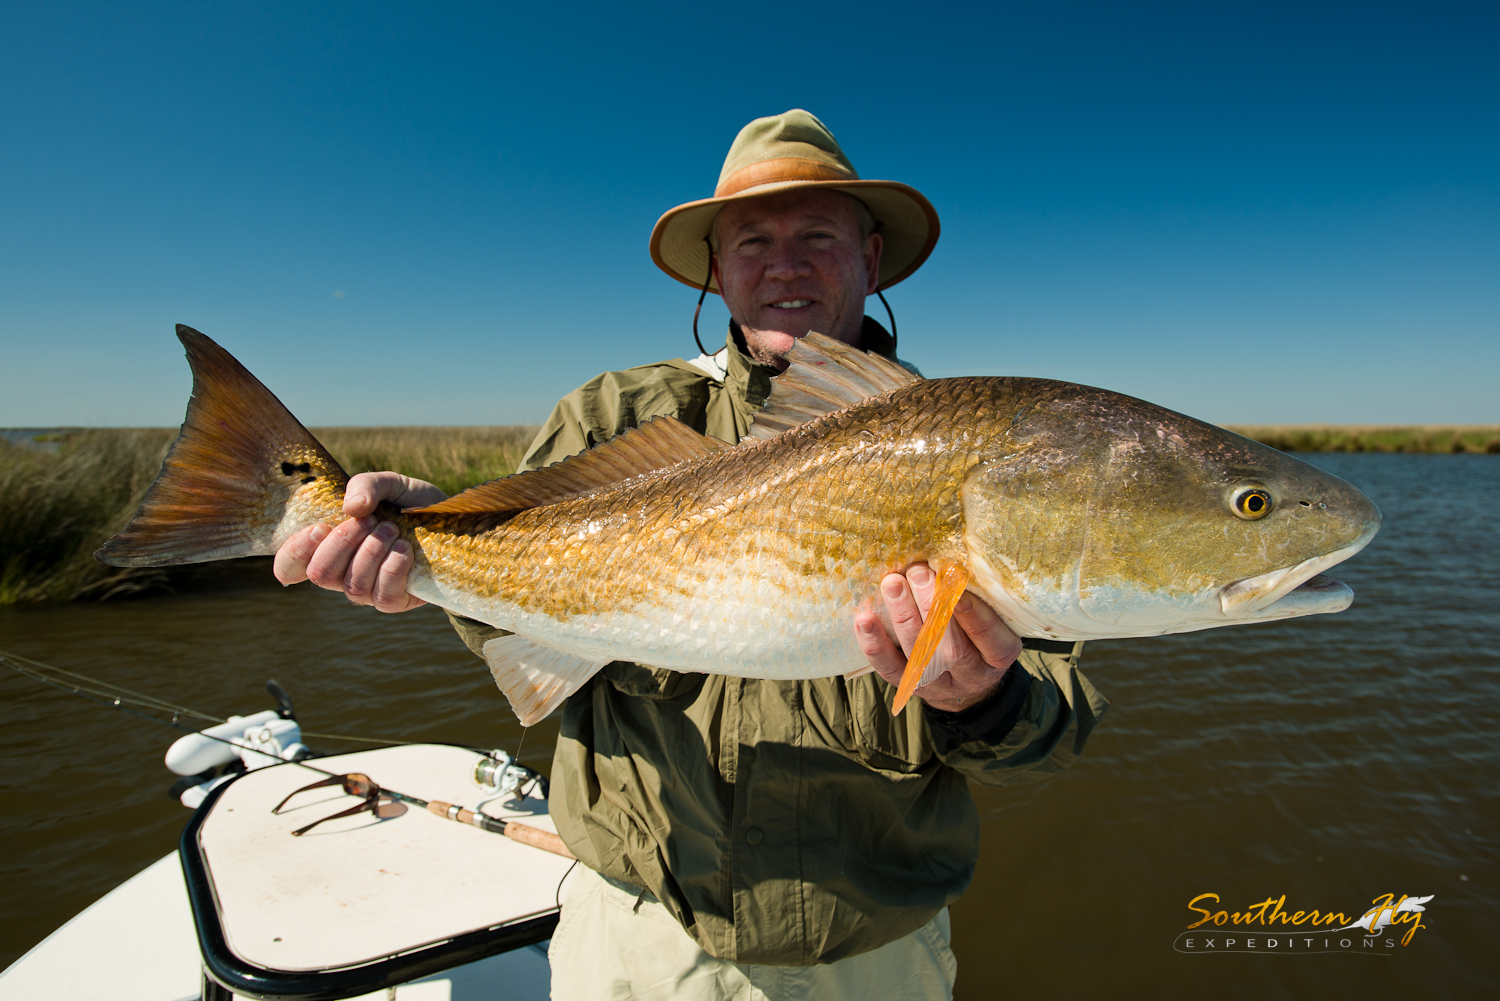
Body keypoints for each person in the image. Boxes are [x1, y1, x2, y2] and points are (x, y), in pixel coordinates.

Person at [273, 110, 1108, 1000]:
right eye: (753, 239)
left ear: (869, 257)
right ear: (717, 269)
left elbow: (1048, 738)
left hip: (875, 958)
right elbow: (509, 610)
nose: (784, 263)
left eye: (817, 234)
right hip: (635, 943)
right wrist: (422, 546)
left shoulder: (990, 453)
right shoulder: (613, 416)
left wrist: (984, 700)